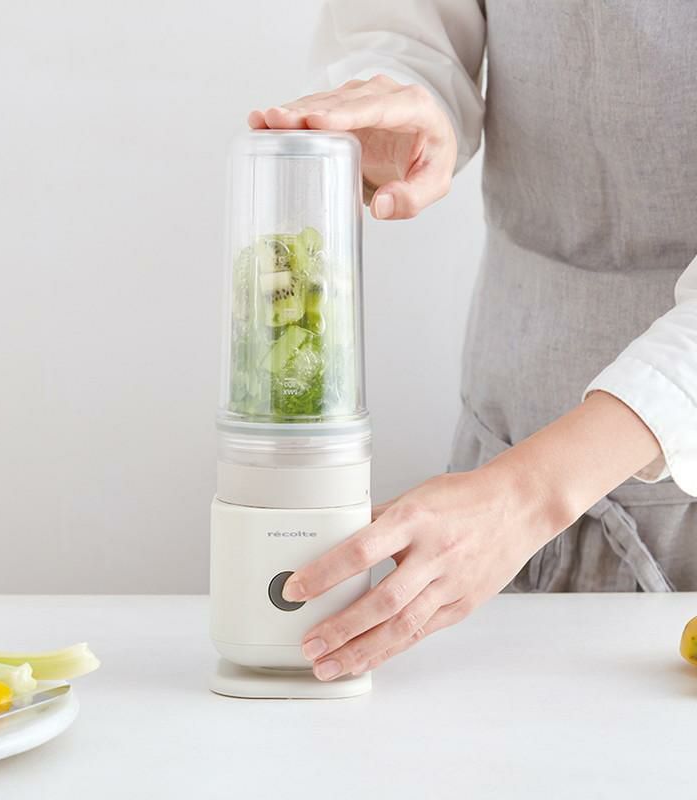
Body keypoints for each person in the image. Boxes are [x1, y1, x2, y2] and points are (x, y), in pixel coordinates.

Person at [248, 1, 697, 683]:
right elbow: (409, 20)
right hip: (499, 452)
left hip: (528, 493)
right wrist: (397, 97)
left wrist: (528, 493)